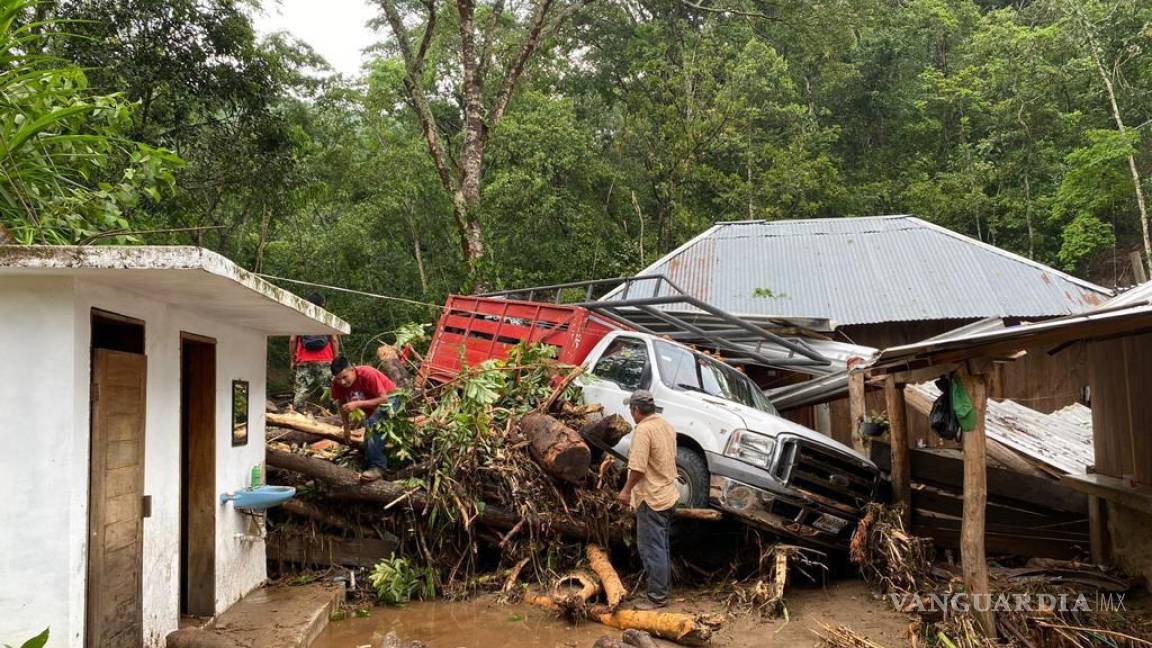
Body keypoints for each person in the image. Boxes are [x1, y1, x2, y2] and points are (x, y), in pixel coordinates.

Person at [616, 390, 679, 610]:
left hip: (651, 498)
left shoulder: (643, 430)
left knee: (651, 548)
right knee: (661, 545)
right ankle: (662, 591)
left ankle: (657, 597)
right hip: (668, 494)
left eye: (630, 409)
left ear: (636, 410)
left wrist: (625, 491)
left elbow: (638, 468)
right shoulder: (665, 425)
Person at [330, 356, 397, 481]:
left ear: (352, 369)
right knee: (368, 440)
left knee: (373, 423)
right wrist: (346, 428)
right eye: (338, 379)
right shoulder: (337, 384)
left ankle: (378, 467)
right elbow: (341, 404)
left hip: (393, 399)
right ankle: (376, 466)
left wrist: (358, 404)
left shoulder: (367, 373)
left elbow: (384, 399)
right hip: (374, 408)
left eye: (345, 377)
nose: (342, 382)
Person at [289, 293, 340, 410]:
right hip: (325, 360)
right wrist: (336, 360)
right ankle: (338, 417)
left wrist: (292, 360)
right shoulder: (328, 318)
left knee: (301, 390)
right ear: (323, 304)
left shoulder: (300, 318)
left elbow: (292, 340)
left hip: (304, 360)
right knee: (331, 389)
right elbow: (334, 340)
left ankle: (298, 416)